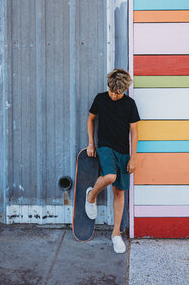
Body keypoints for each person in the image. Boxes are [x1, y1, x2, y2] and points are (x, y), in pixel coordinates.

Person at [85, 68, 140, 253]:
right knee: (109, 176)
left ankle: (116, 234)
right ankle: (91, 195)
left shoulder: (130, 104)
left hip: (123, 151)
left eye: (118, 93)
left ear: (124, 90)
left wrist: (133, 157)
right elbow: (91, 119)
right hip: (105, 147)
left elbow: (134, 131)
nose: (114, 96)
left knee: (119, 193)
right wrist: (91, 143)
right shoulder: (100, 99)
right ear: (108, 86)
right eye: (112, 92)